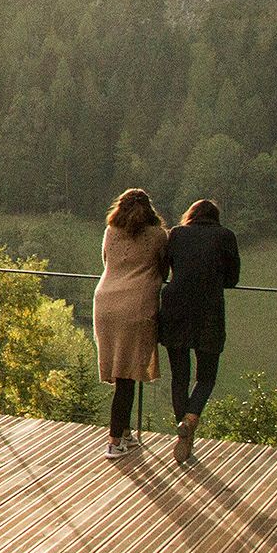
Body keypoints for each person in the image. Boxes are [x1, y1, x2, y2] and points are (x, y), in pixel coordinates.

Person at [159, 198, 241, 467]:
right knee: (206, 377)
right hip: (208, 311)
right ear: (215, 218)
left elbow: (164, 270)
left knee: (179, 377)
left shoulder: (176, 234)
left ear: (190, 216)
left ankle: (183, 429)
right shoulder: (225, 236)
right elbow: (232, 278)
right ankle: (191, 418)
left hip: (175, 308)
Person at [92, 188, 168, 459]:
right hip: (137, 305)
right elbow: (163, 268)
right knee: (129, 371)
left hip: (105, 302)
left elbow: (106, 261)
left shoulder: (111, 231)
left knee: (121, 370)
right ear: (149, 209)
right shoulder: (159, 236)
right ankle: (114, 440)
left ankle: (124, 432)